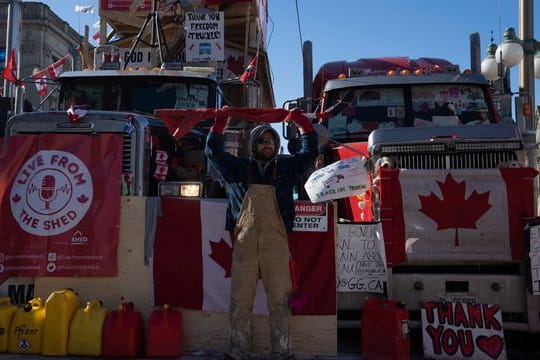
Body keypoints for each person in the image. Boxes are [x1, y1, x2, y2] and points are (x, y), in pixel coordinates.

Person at [205, 110, 318, 360]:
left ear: (276, 146)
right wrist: (220, 123)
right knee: (240, 300)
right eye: (262, 141)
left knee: (280, 300)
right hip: (244, 243)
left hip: (277, 244)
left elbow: (310, 153)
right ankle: (238, 351)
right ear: (252, 145)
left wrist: (303, 125)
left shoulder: (286, 168)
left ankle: (282, 352)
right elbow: (213, 152)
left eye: (270, 141)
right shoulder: (238, 168)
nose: (267, 145)